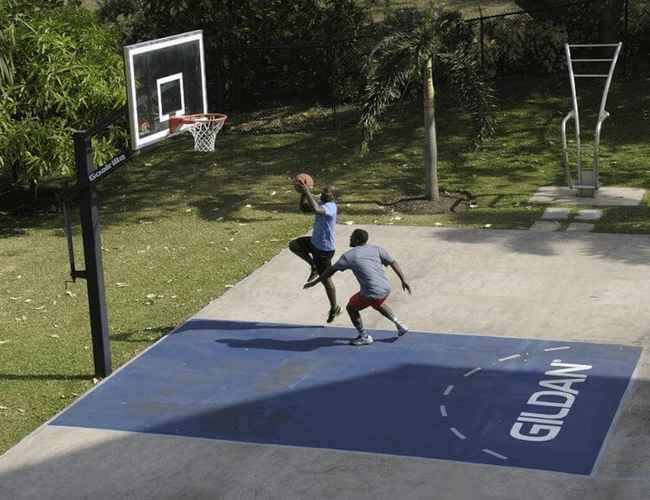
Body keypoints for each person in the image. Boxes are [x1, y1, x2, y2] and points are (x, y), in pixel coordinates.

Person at [304, 228, 411, 346]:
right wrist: (403, 280)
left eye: (351, 237)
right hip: (385, 288)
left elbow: (330, 271)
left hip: (372, 291)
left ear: (357, 239)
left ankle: (364, 336)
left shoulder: (349, 256)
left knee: (351, 307)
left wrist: (314, 282)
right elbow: (393, 262)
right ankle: (400, 325)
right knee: (377, 303)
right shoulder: (376, 249)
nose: (349, 238)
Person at [289, 181, 341, 323]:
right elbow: (304, 209)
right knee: (294, 245)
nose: (323, 193)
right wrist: (303, 194)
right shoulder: (323, 202)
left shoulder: (331, 207)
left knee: (326, 280)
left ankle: (334, 307)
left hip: (324, 249)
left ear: (333, 197)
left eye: (327, 192)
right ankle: (313, 266)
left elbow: (317, 210)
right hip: (314, 243)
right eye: (323, 191)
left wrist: (307, 192)